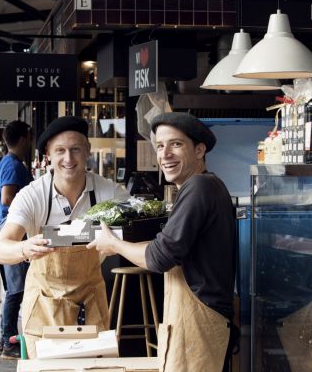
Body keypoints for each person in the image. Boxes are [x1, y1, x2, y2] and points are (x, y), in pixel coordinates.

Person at [87, 112, 237, 372]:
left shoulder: (199, 187)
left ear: (200, 150)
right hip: (197, 321)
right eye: (160, 146)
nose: (165, 154)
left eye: (176, 144)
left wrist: (114, 244)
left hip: (201, 322)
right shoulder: (204, 187)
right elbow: (163, 249)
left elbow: (159, 257)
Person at [0, 116, 130, 358]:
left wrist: (118, 243)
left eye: (76, 149)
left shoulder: (109, 192)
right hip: (44, 304)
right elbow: (0, 250)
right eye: (60, 150)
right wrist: (25, 247)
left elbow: (134, 232)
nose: (68, 159)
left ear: (87, 151)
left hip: (90, 302)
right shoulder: (32, 196)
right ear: (48, 154)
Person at [0, 121, 33, 359]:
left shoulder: (9, 162)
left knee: (15, 290)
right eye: (29, 137)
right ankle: (8, 343)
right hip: (12, 231)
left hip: (10, 230)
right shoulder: (13, 165)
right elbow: (8, 198)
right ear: (23, 138)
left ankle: (4, 340)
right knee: (16, 291)